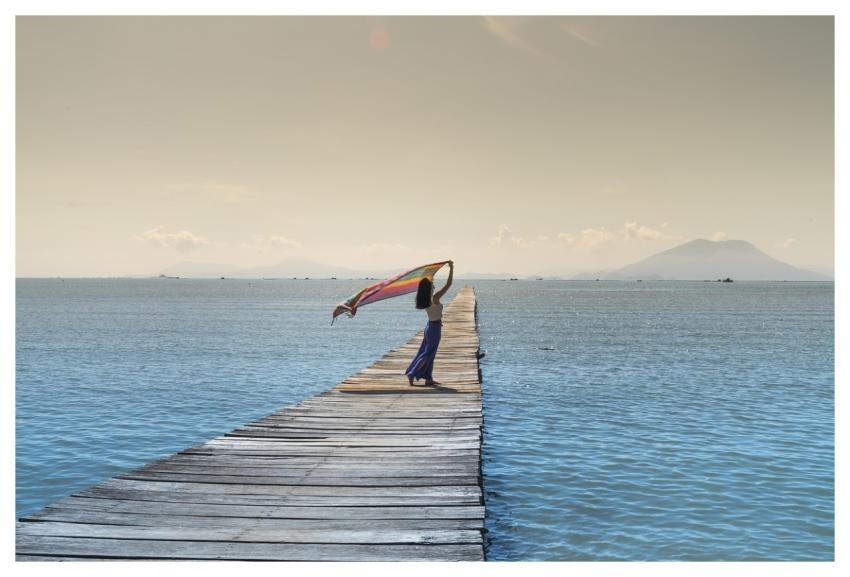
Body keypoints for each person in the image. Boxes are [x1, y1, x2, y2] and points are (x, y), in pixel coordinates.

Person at [406, 260, 453, 386]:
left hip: (430, 327)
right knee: (428, 353)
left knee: (427, 352)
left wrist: (432, 273)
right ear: (430, 288)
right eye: (433, 284)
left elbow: (427, 282)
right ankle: (412, 373)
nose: (434, 285)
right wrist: (451, 268)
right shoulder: (435, 298)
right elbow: (448, 284)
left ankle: (428, 378)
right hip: (434, 329)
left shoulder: (425, 299)